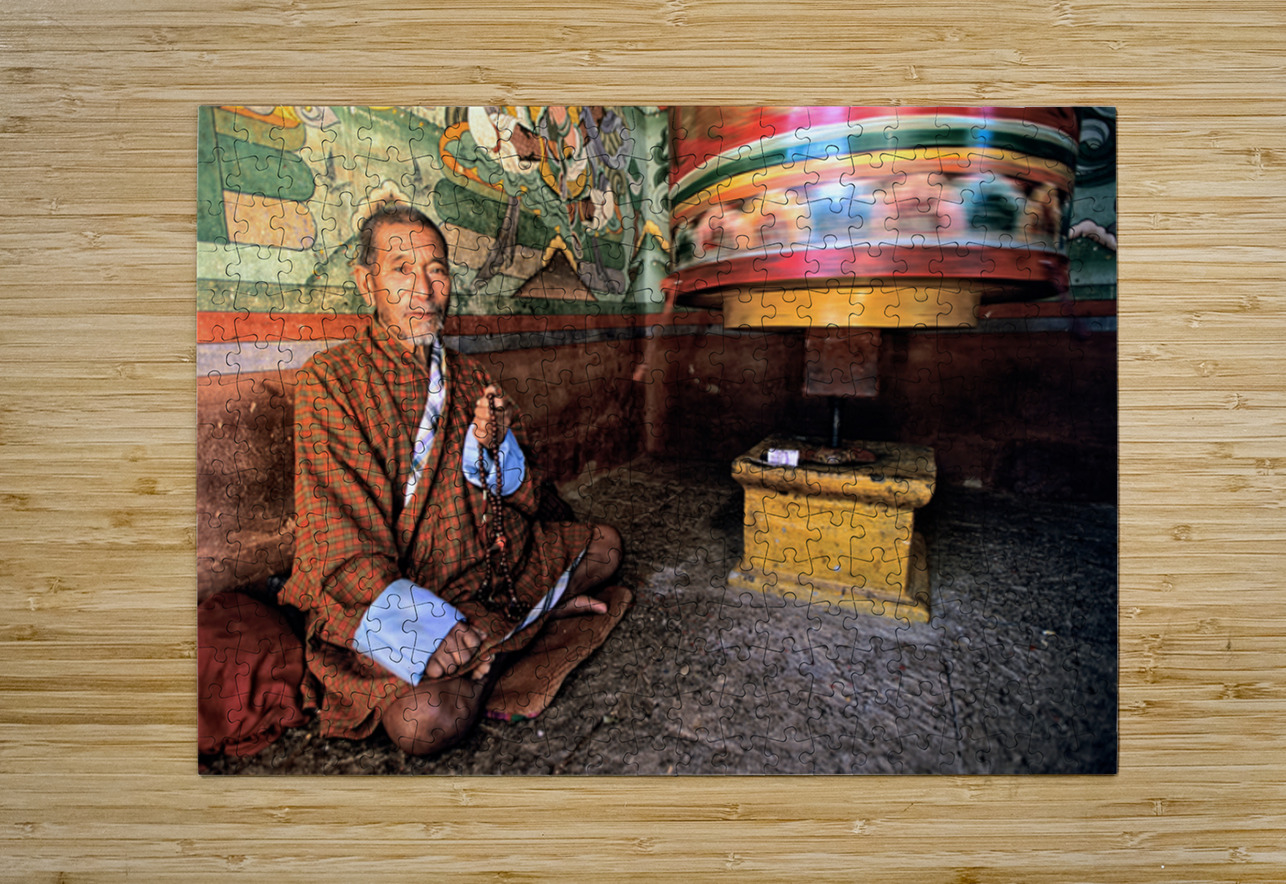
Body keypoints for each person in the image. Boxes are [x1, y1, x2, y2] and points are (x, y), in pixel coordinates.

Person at [282, 203, 628, 756]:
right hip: (389, 593)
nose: (423, 289)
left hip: (483, 575)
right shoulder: (330, 383)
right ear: (365, 281)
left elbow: (523, 500)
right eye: (401, 269)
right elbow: (336, 541)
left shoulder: (472, 379)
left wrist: (494, 448)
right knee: (423, 722)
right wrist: (426, 629)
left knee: (607, 547)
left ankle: (491, 640)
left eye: (436, 270)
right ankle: (503, 643)